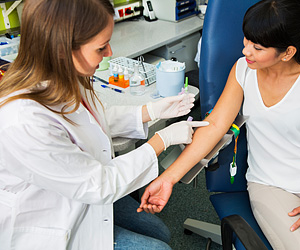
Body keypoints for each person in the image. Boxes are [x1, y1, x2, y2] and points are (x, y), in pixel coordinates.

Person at [0, 0, 209, 249]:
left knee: (159, 231)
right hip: (53, 217)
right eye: (101, 47)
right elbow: (99, 184)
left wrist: (149, 111)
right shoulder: (23, 120)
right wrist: (160, 141)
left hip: (81, 190)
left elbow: (88, 119)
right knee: (159, 247)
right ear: (61, 49)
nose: (110, 52)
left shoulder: (64, 74)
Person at [138, 0, 300, 249]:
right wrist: (169, 178)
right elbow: (214, 126)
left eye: (257, 47)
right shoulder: (244, 70)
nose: (246, 51)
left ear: (288, 52)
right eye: (246, 41)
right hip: (271, 185)